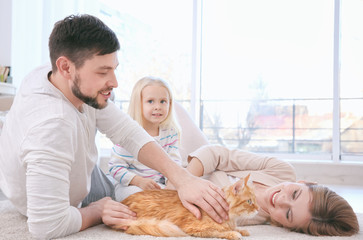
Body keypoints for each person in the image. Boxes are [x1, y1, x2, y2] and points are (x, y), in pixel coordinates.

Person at [0, 14, 229, 240]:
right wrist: (98, 211)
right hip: (50, 192)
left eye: (113, 68)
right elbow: (46, 226)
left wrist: (183, 179)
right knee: (127, 204)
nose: (115, 82)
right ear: (66, 67)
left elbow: (127, 131)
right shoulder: (51, 126)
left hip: (83, 169)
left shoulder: (51, 74)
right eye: (102, 72)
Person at [185, 144, 360, 236]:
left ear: (283, 225)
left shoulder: (244, 218)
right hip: (191, 156)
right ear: (304, 182)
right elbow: (216, 154)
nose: (281, 200)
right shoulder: (281, 170)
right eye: (295, 193)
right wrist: (181, 182)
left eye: (288, 214)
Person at [109, 76, 182, 201]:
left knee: (178, 195)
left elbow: (174, 162)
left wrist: (171, 187)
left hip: (158, 185)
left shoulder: (170, 133)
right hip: (131, 185)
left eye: (163, 101)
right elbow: (114, 168)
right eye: (150, 101)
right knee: (137, 196)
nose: (158, 106)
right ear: (138, 104)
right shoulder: (128, 133)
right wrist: (138, 181)